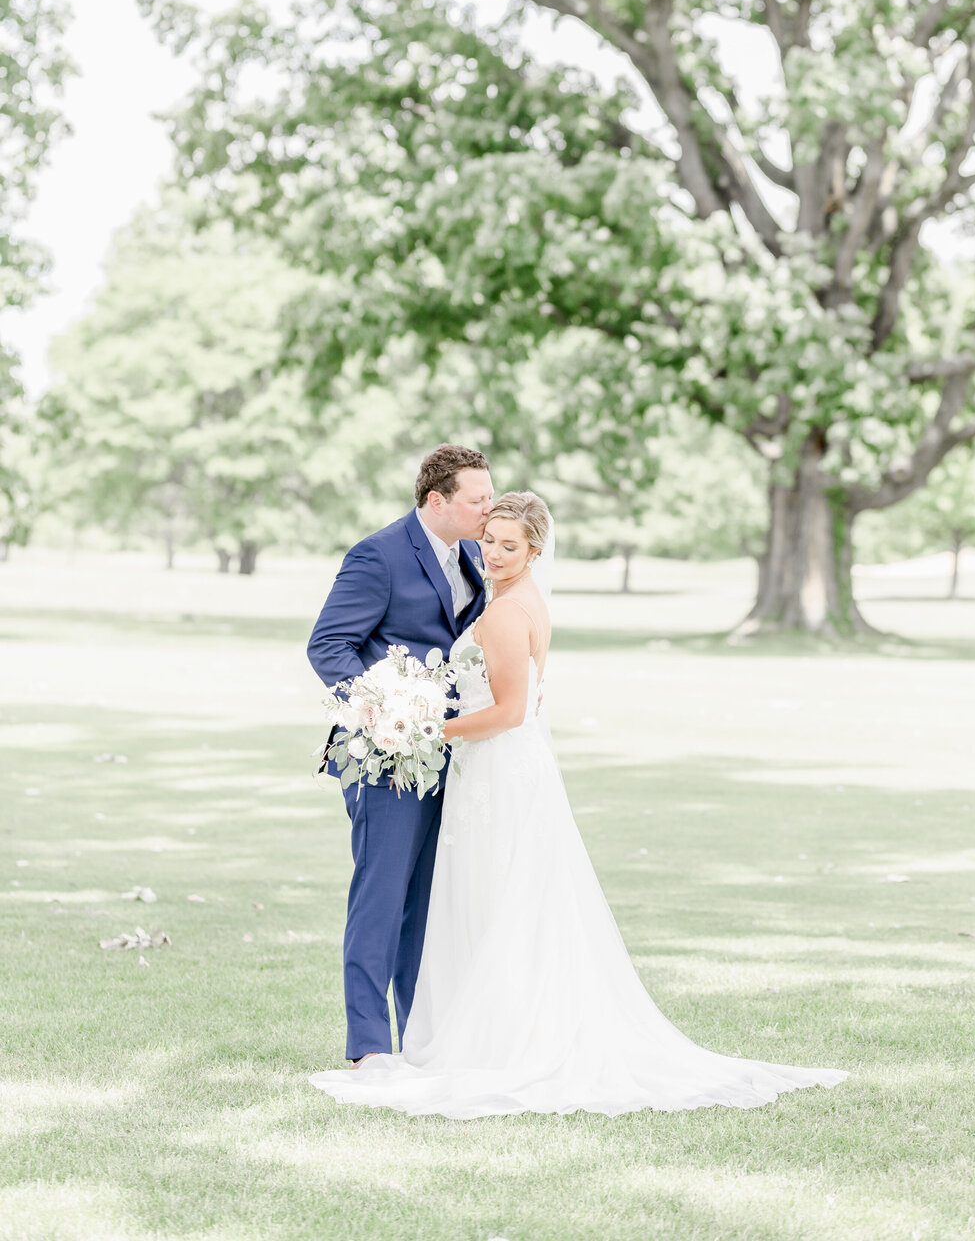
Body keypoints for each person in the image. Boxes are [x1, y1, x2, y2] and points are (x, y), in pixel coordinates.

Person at [310, 490, 846, 1117]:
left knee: (495, 902)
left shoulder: (506, 610)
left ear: (535, 549)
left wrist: (422, 727)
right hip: (484, 768)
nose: (492, 549)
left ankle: (495, 1041)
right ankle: (437, 1037)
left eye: (508, 543)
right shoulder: (491, 590)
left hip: (490, 768)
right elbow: (504, 692)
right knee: (488, 901)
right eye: (488, 534)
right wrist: (393, 712)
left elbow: (509, 708)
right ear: (441, 500)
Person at [307, 443, 492, 1065]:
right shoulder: (378, 555)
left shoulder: (472, 554)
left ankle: (416, 1036)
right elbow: (329, 646)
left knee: (429, 902)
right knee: (380, 896)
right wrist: (386, 708)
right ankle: (367, 1046)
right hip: (385, 756)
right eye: (477, 500)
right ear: (436, 501)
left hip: (452, 751)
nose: (489, 510)